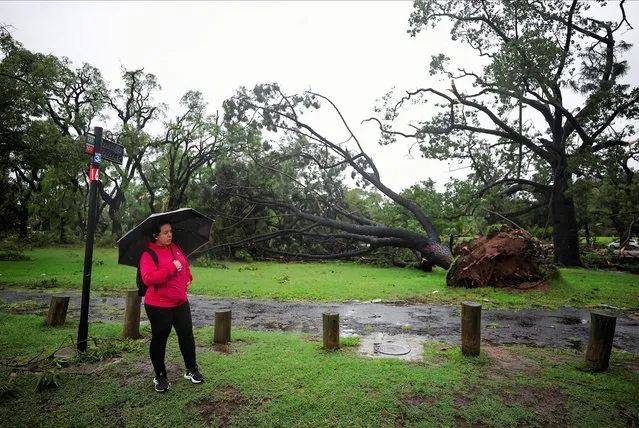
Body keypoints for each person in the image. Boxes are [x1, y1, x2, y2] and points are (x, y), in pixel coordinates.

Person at [139, 221, 204, 392]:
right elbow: (149, 278)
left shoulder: (175, 247)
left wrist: (188, 277)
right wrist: (171, 267)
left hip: (180, 302)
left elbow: (185, 264)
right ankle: (160, 376)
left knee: (187, 336)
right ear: (155, 235)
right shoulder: (148, 253)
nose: (169, 235)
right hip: (158, 305)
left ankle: (191, 369)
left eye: (170, 231)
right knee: (160, 340)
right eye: (165, 232)